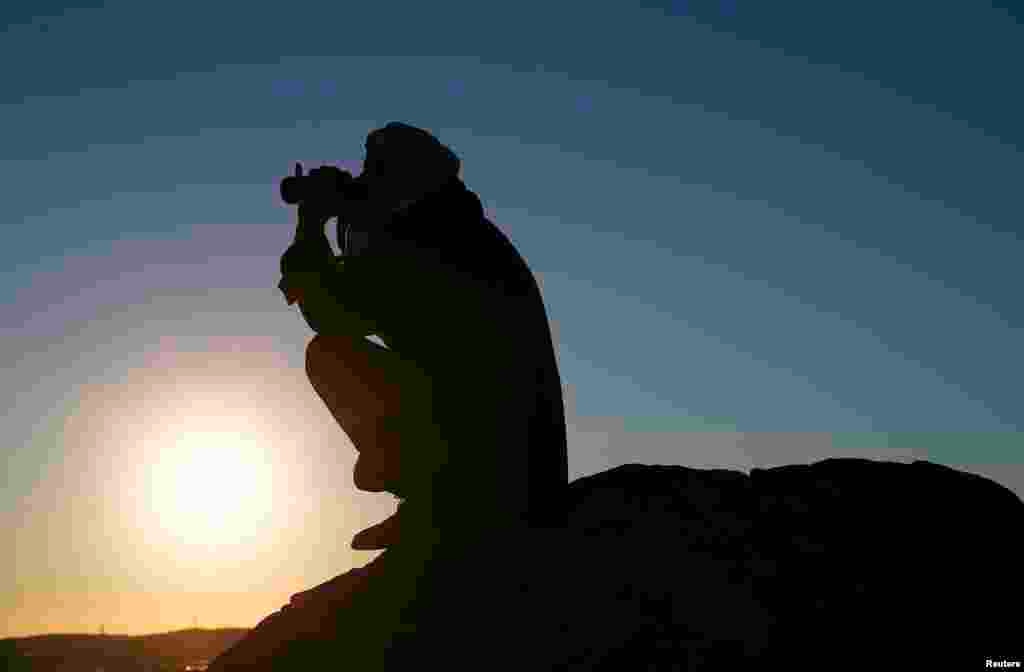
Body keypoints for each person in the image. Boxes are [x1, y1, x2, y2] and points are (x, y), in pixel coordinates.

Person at [280, 122, 568, 549]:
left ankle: (437, 501)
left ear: (405, 180)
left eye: (375, 172)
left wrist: (311, 225)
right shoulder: (452, 228)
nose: (364, 181)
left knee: (329, 357)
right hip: (517, 458)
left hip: (500, 458)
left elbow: (332, 315)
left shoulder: (430, 236)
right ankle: (432, 497)